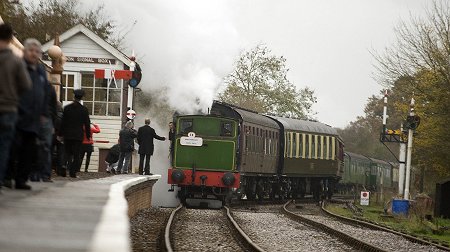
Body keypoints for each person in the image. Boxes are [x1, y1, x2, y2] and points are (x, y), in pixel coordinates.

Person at [6, 38, 46, 190]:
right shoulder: (18, 66)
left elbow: (45, 91)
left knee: (29, 151)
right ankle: (8, 176)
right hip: (18, 113)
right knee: (14, 147)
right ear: (24, 51)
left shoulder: (41, 71)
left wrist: (43, 112)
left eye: (37, 52)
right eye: (31, 50)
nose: (34, 54)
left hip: (34, 117)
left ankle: (21, 179)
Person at [0, 23, 32, 189]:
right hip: (8, 108)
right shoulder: (15, 60)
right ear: (11, 37)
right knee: (4, 145)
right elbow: (26, 85)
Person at [59, 89, 91, 178]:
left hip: (68, 134)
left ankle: (63, 166)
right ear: (81, 98)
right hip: (78, 135)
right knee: (77, 155)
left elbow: (63, 122)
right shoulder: (84, 110)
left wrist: (60, 134)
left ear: (74, 96)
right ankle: (72, 172)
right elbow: (87, 124)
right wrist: (88, 135)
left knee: (66, 152)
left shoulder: (67, 108)